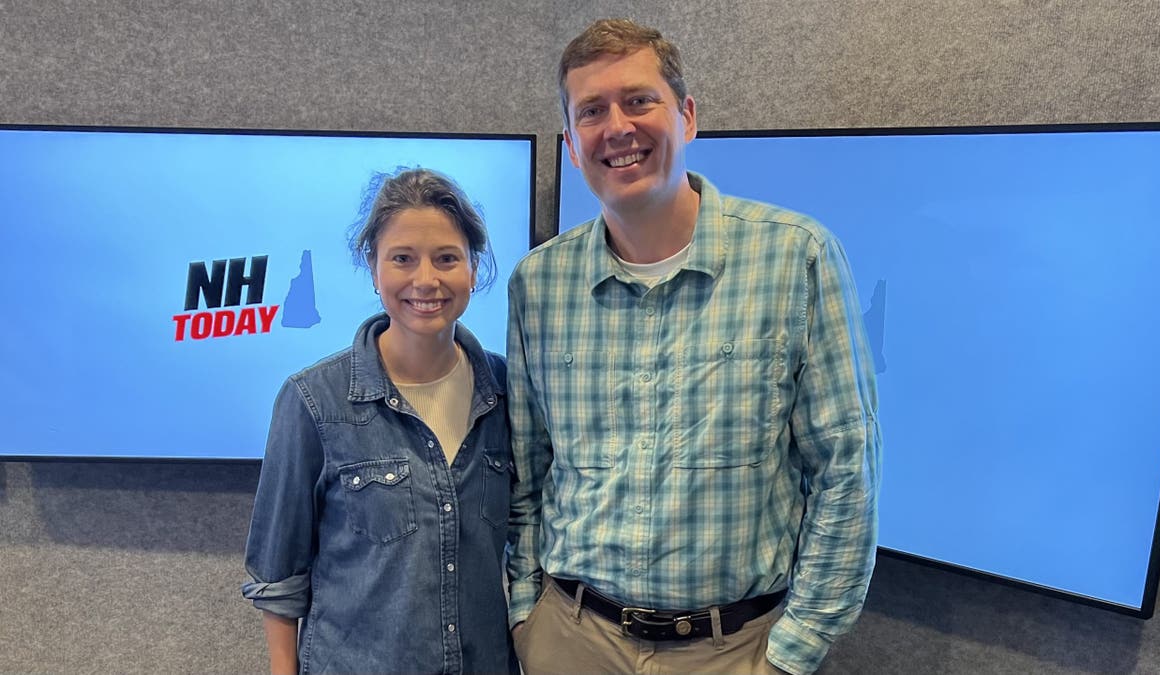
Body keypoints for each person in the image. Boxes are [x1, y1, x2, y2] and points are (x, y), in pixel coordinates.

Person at [506, 19, 881, 675]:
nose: (616, 126)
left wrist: (789, 655)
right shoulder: (537, 283)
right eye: (591, 111)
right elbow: (524, 472)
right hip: (570, 640)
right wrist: (524, 616)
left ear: (686, 116)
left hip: (734, 651)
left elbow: (846, 472)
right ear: (570, 144)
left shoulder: (797, 257)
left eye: (638, 100)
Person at [241, 168, 516, 675]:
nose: (426, 280)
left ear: (473, 268)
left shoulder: (504, 391)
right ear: (374, 267)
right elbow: (278, 577)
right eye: (402, 259)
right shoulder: (312, 401)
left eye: (447, 258)